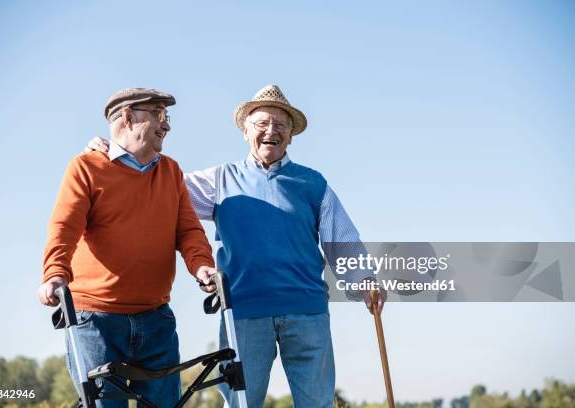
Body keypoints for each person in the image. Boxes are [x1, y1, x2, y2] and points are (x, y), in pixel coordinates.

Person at [86, 85, 386, 408]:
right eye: (262, 124)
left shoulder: (313, 184)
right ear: (246, 131)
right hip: (243, 314)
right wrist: (115, 154)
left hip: (307, 314)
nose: (271, 131)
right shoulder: (221, 180)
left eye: (281, 125)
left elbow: (341, 242)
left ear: (291, 136)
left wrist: (365, 280)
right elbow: (159, 184)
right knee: (240, 404)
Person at [39, 87, 218, 408]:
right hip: (95, 322)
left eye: (168, 117)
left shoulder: (170, 171)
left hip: (156, 319)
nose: (167, 126)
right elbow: (65, 227)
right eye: (159, 116)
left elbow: (189, 230)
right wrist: (54, 273)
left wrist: (201, 265)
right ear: (128, 117)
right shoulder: (86, 167)